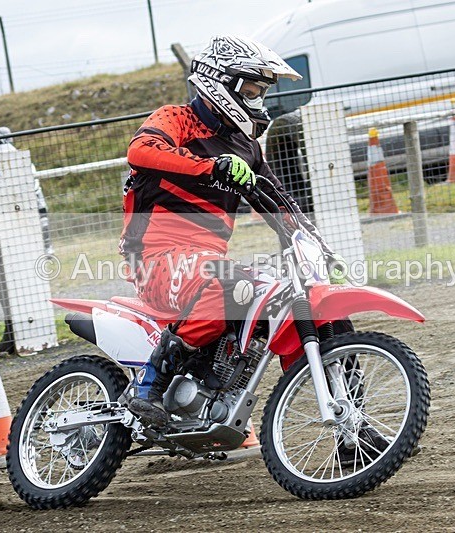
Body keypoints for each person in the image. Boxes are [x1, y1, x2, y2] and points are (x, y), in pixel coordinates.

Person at [120, 35, 341, 427]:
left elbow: (276, 200)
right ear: (220, 83)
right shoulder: (176, 119)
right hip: (155, 258)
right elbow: (140, 150)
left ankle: (349, 421)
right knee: (229, 285)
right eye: (251, 91)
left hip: (205, 260)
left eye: (261, 93)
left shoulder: (247, 147)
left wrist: (317, 245)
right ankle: (149, 386)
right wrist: (212, 167)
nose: (258, 102)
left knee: (301, 301)